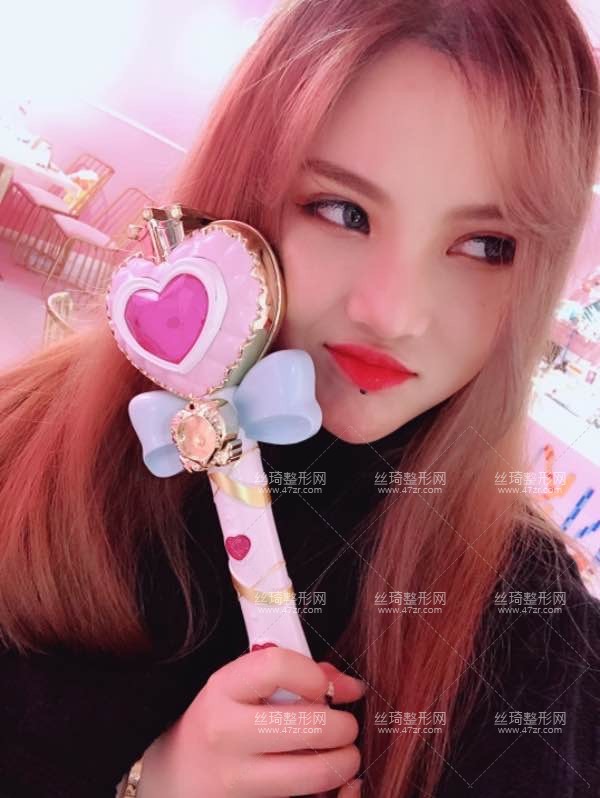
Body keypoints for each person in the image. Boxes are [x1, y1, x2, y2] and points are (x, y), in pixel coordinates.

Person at [0, 0, 599, 796]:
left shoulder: (530, 621)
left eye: (487, 245)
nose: (393, 313)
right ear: (246, 183)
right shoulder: (27, 442)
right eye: (344, 212)